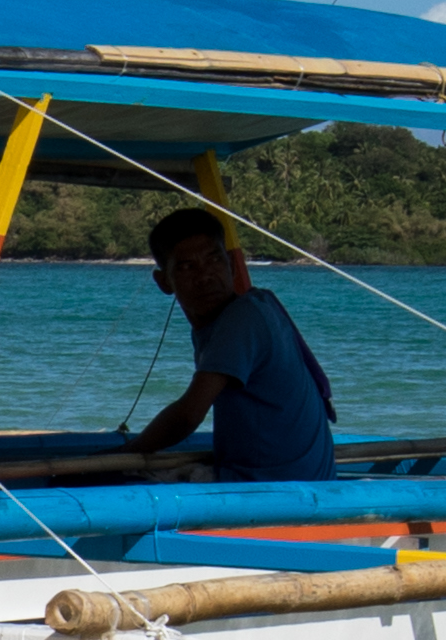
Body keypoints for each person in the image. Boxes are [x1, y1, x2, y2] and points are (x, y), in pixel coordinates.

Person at [132, 206, 337, 481]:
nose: (205, 276)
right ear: (164, 281)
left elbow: (188, 415)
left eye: (214, 260)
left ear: (230, 263)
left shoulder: (242, 319)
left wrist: (128, 451)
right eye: (187, 267)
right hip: (290, 479)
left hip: (279, 490)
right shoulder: (247, 310)